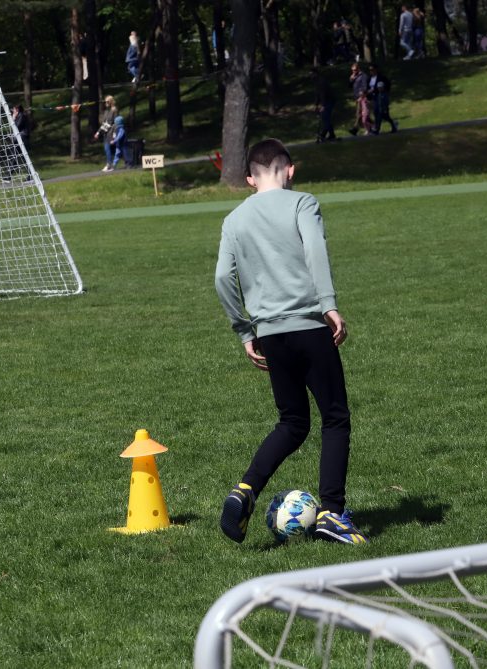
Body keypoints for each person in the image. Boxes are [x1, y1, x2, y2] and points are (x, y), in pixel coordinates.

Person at [214, 138, 366, 546]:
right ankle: (332, 513)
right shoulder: (302, 203)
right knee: (334, 417)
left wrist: (244, 330)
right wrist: (329, 304)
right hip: (309, 326)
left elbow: (221, 279)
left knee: (293, 422)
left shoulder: (234, 219)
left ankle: (245, 489)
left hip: (269, 335)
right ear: (290, 170)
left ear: (249, 179)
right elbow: (315, 249)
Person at [367, 64, 398, 134]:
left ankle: (377, 129)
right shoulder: (369, 78)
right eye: (370, 70)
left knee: (380, 112)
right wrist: (368, 94)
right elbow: (368, 87)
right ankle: (393, 124)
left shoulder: (381, 77)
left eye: (372, 70)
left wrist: (381, 91)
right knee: (377, 113)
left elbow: (386, 85)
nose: (371, 71)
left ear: (376, 70)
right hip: (374, 97)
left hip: (380, 96)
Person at [313, 68, 337, 142]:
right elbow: (318, 94)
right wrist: (316, 105)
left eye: (312, 74)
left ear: (316, 74)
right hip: (326, 102)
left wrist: (323, 105)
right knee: (326, 118)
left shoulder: (321, 82)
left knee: (325, 118)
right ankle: (332, 135)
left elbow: (323, 94)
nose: (310, 76)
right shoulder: (317, 82)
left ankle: (323, 134)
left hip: (329, 101)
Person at [348, 62, 372, 136]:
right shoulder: (354, 76)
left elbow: (365, 87)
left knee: (359, 114)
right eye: (352, 70)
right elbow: (349, 86)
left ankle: (355, 129)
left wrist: (361, 95)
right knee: (362, 115)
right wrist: (351, 79)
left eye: (355, 70)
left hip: (362, 98)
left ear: (358, 69)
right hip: (357, 98)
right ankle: (373, 126)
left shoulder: (363, 76)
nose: (353, 71)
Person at [96, 95, 118, 171]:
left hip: (111, 132)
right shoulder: (106, 111)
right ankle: (109, 164)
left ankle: (109, 165)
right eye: (105, 101)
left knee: (108, 149)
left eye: (107, 101)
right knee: (107, 149)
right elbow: (104, 123)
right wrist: (98, 132)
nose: (106, 103)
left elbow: (116, 122)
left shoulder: (114, 110)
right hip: (106, 132)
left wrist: (115, 133)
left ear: (111, 101)